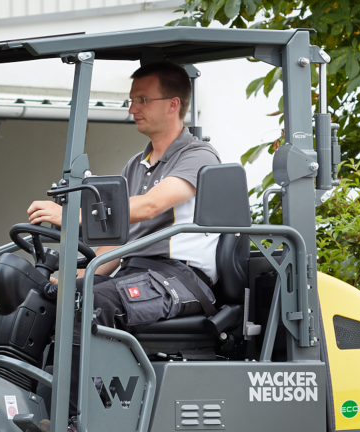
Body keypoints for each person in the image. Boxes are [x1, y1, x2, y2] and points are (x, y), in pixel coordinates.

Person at [26, 61, 222, 329]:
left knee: (93, 302)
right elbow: (120, 238)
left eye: (142, 100)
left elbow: (151, 205)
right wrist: (82, 274)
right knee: (51, 298)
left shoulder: (198, 156)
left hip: (181, 277)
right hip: (135, 272)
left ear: (173, 104)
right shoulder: (136, 164)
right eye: (131, 101)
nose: (132, 109)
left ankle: (80, 373)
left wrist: (74, 216)